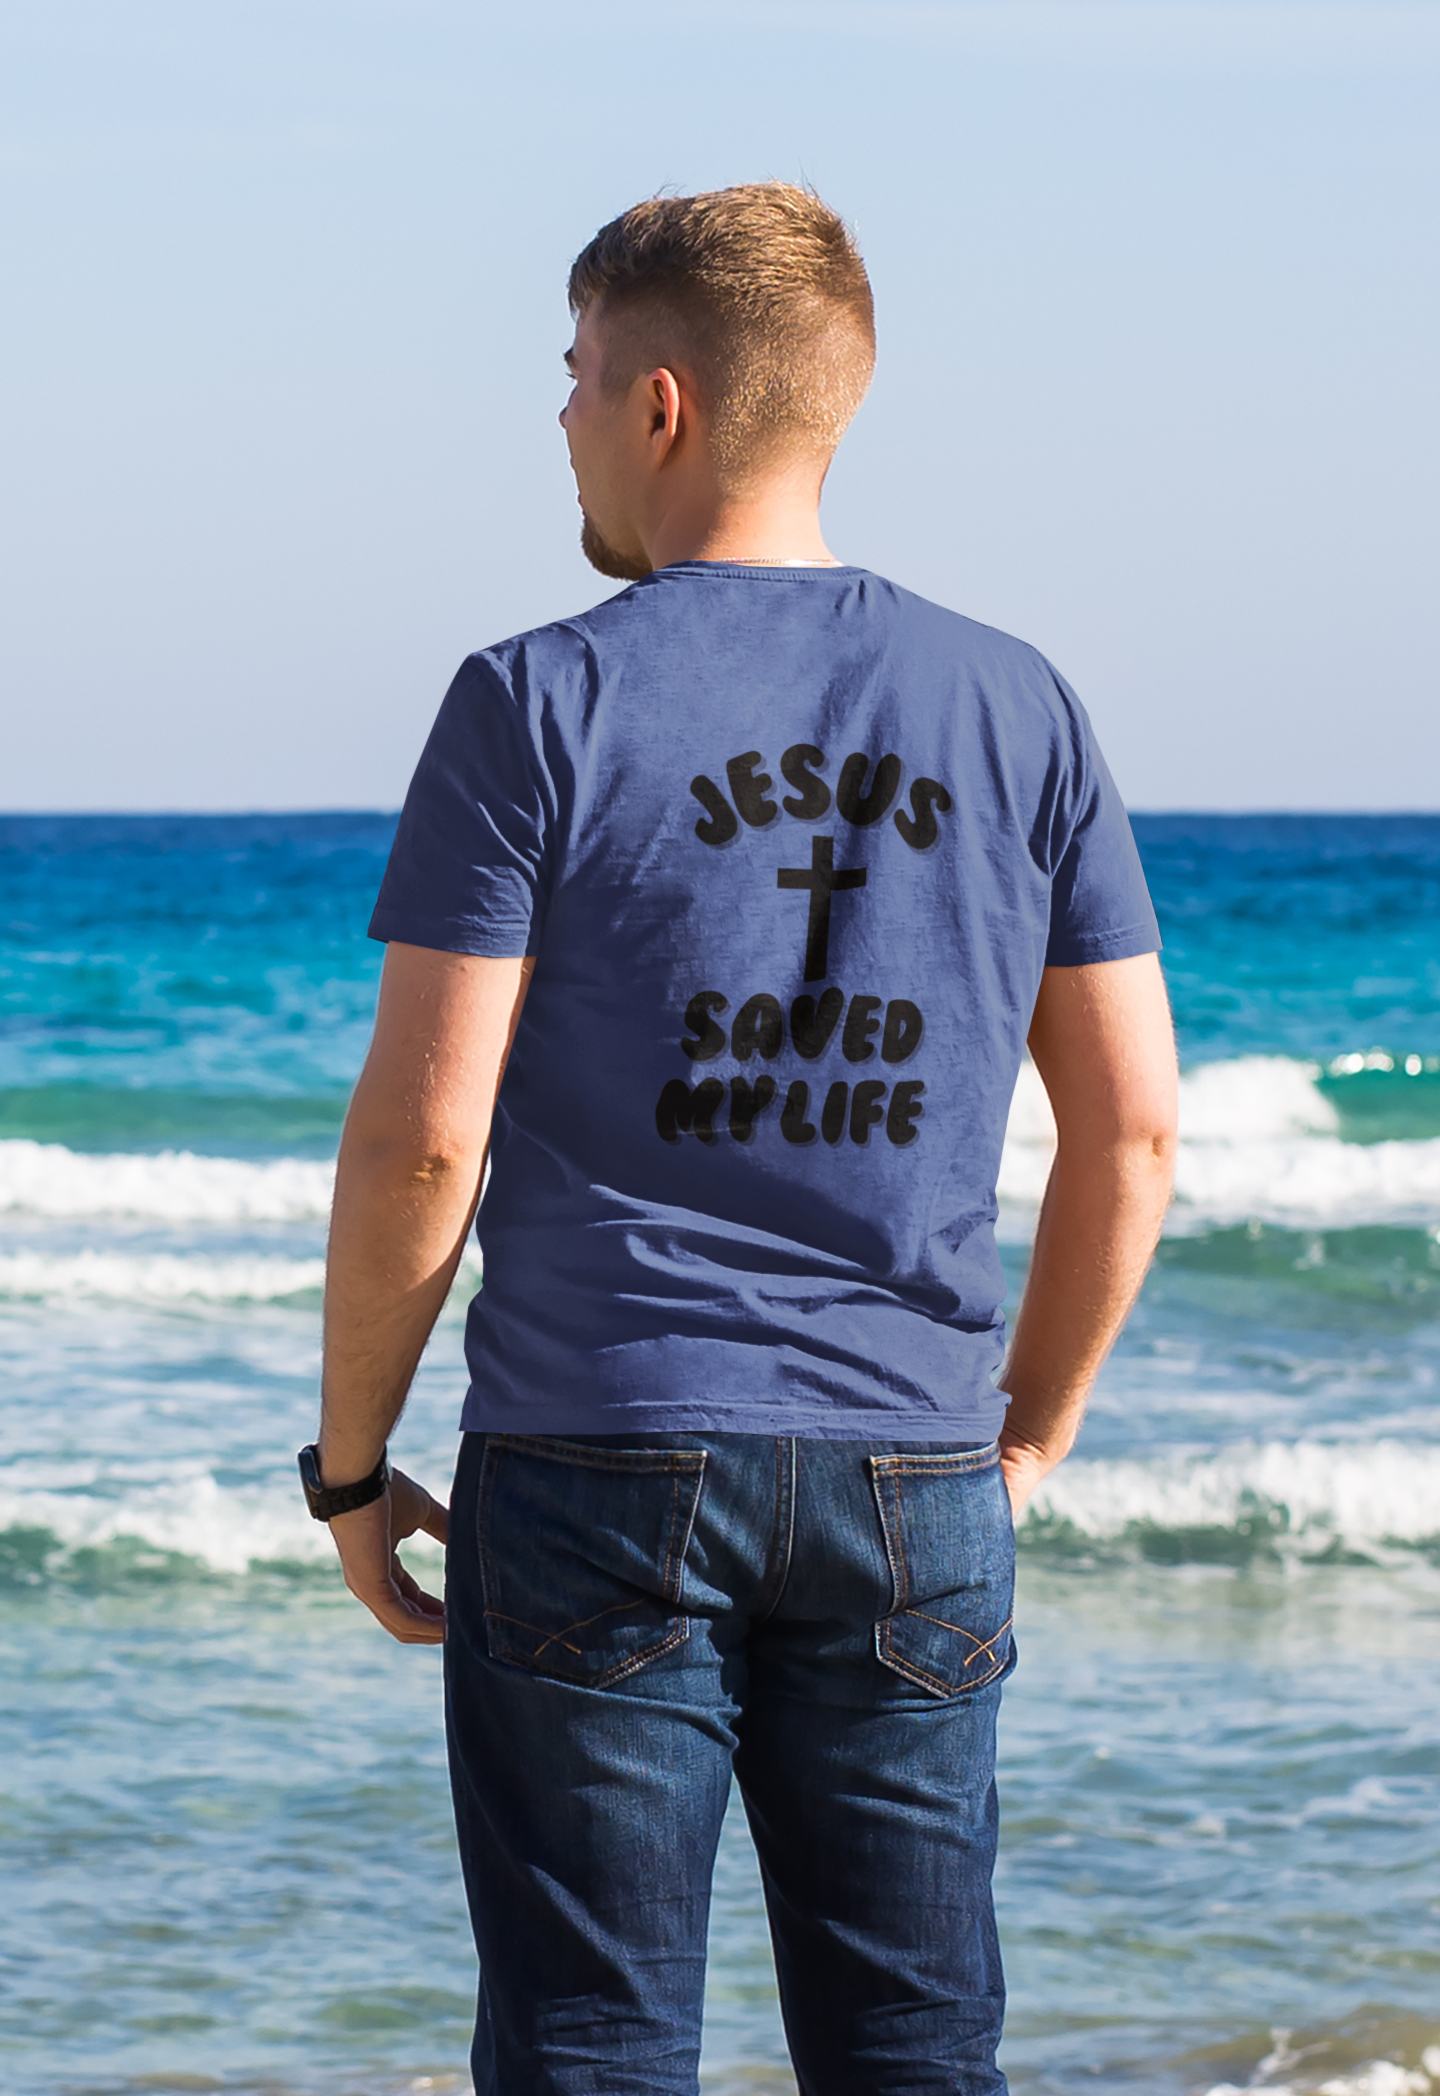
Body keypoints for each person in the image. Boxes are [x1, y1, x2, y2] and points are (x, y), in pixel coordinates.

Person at [301, 182, 1179, 2095]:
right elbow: (1132, 1131)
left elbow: (426, 1144)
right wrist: (1026, 1436)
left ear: (662, 404)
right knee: (916, 2047)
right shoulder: (1019, 704)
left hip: (596, 1456)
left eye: (573, 372)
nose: (558, 416)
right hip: (910, 1468)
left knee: (593, 2045)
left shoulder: (535, 698)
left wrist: (349, 1469)